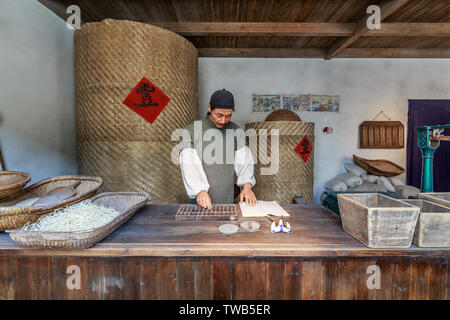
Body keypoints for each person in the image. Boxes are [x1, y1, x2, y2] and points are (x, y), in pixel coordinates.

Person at [178, 89, 257, 209]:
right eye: (219, 115)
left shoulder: (237, 132)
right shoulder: (191, 131)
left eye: (228, 116)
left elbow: (244, 161)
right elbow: (188, 164)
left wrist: (247, 187)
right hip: (201, 200)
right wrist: (199, 191)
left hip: (227, 199)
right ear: (210, 108)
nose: (223, 120)